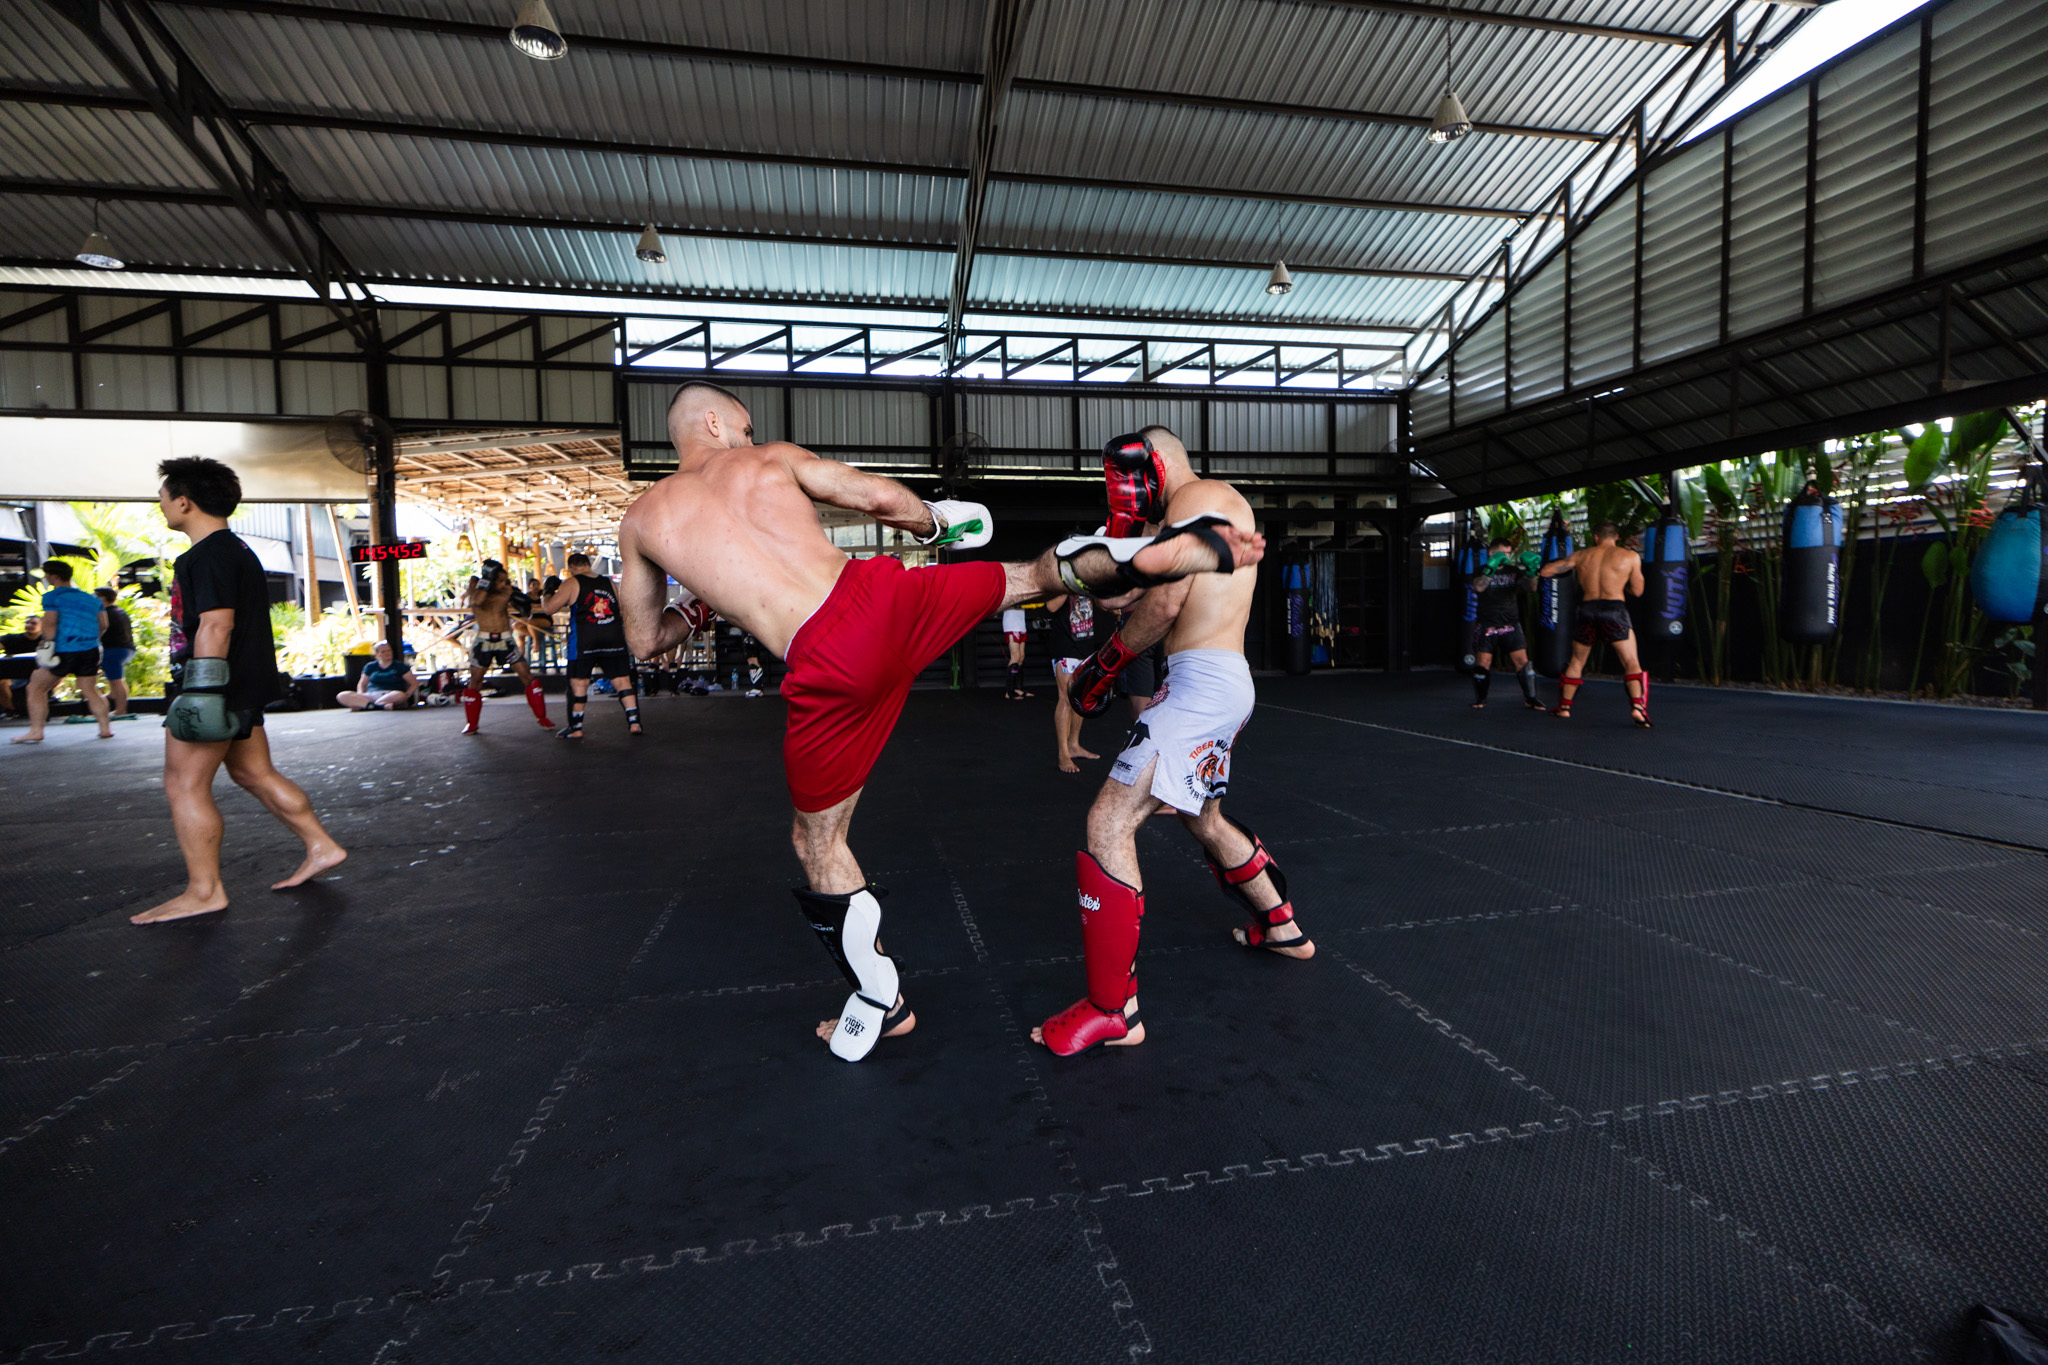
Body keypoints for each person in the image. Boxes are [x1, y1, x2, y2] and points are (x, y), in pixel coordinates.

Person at [617, 382, 1262, 1062]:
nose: (748, 438)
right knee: (1032, 575)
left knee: (816, 844)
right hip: (881, 598)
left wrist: (700, 605)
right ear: (713, 421)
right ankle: (1136, 556)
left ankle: (881, 1001)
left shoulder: (642, 521)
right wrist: (932, 523)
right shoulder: (769, 459)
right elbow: (876, 497)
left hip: (824, 668)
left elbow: (645, 641)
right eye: (744, 427)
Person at [1032, 428, 1311, 1058]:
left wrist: (1103, 666)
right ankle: (1282, 927)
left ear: (1155, 467)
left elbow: (1163, 605)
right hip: (1215, 681)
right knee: (1202, 817)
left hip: (1201, 687)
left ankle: (1113, 1011)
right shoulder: (1193, 514)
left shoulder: (1199, 496)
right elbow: (1144, 590)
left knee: (1108, 821)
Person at [132, 456, 346, 925]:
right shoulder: (237, 549)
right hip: (241, 686)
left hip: (215, 688)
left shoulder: (205, 556)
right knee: (254, 773)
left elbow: (216, 625)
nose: (161, 505)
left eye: (163, 497)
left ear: (184, 502)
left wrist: (201, 695)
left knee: (184, 785)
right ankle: (322, 846)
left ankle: (205, 892)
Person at [1538, 520, 1650, 726]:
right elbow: (1637, 591)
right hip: (1614, 610)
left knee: (1576, 662)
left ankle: (1564, 708)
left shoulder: (1581, 556)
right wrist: (1620, 585)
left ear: (1596, 537)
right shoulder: (1630, 556)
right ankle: (1638, 708)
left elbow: (1546, 572)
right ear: (1616, 537)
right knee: (1631, 661)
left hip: (1587, 610)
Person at [536, 552, 642, 738]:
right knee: (622, 681)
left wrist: (546, 592)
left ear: (572, 568)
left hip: (585, 640)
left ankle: (576, 728)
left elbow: (548, 609)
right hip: (613, 637)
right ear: (588, 564)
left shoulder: (572, 583)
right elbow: (621, 608)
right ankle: (634, 723)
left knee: (579, 683)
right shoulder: (609, 583)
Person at [10, 559, 114, 744]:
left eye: (46, 575)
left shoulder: (53, 597)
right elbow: (103, 625)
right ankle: (105, 729)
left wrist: (47, 645)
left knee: (35, 687)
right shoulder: (92, 598)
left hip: (64, 650)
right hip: (90, 649)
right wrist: (89, 640)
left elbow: (50, 623)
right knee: (90, 690)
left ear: (54, 576)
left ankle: (36, 731)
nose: (46, 578)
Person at [459, 558, 555, 735]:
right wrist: (487, 579)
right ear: (491, 579)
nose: (504, 584)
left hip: (505, 640)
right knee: (475, 681)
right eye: (501, 581)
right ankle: (471, 723)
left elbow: (526, 609)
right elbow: (477, 602)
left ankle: (541, 717)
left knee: (528, 676)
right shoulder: (477, 590)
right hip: (484, 642)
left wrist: (524, 606)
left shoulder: (507, 592)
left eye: (506, 581)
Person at [1467, 536, 1543, 711]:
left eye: (1508, 553)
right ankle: (1481, 699)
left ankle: (1531, 699)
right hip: (1488, 623)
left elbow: (1531, 588)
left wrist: (1532, 572)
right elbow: (1479, 587)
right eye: (1501, 553)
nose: (1505, 556)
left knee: (1522, 662)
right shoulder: (1480, 570)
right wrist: (1491, 567)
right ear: (1491, 552)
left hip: (1510, 623)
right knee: (1483, 662)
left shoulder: (1513, 571)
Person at [1043, 591, 1103, 773]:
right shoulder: (1061, 578)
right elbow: (1051, 606)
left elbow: (1103, 604)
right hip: (1065, 644)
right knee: (1066, 698)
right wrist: (1071, 582)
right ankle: (1063, 754)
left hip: (1086, 642)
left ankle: (1074, 745)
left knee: (1081, 698)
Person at [336, 640, 417, 710]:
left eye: (389, 651)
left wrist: (406, 695)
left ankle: (368, 705)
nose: (387, 653)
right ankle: (378, 706)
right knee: (342, 695)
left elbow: (414, 683)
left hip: (391, 695)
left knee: (400, 695)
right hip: (371, 695)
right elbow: (362, 683)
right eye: (383, 652)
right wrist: (360, 694)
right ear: (376, 655)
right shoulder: (370, 666)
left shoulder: (399, 666)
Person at [95, 586, 137, 718]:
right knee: (116, 682)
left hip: (113, 649)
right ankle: (116, 706)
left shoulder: (105, 613)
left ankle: (120, 710)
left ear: (102, 598)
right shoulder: (120, 611)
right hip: (126, 648)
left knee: (116, 681)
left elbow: (101, 628)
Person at [1, 616, 43, 718]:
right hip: (14, 677)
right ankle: (11, 709)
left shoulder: (49, 641)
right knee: (2, 683)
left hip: (40, 676)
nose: (29, 625)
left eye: (33, 623)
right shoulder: (12, 639)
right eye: (27, 622)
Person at [1001, 603, 1033, 699]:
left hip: (1020, 622)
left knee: (1021, 657)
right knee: (1015, 656)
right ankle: (1009, 691)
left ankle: (1018, 689)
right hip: (1011, 623)